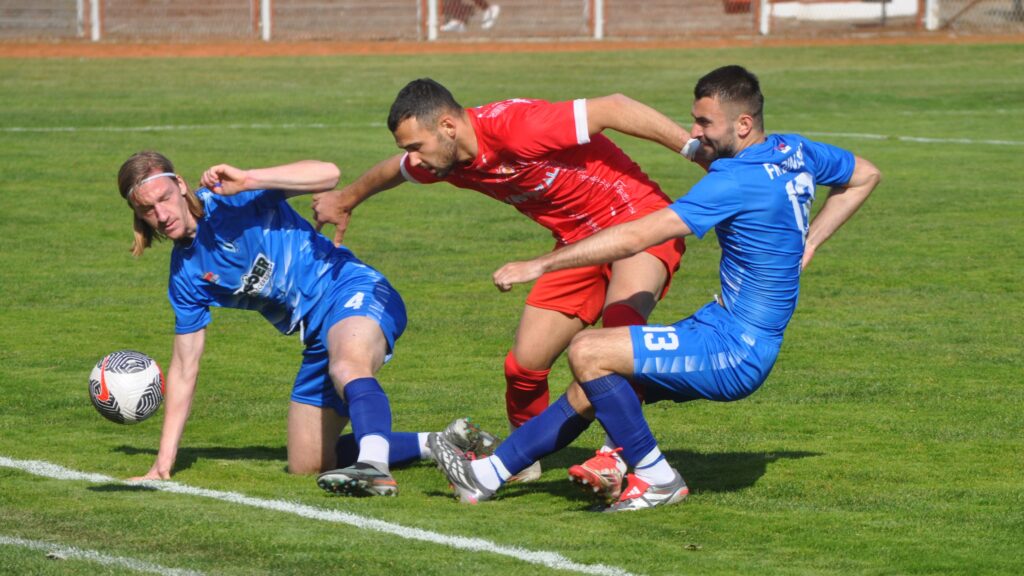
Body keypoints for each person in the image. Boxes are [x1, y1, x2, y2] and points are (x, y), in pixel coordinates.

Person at [428, 65, 881, 511]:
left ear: (743, 124)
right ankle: (485, 476)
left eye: (705, 122)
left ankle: (656, 476)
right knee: (595, 382)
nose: (695, 131)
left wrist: (539, 264)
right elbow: (864, 174)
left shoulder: (733, 180)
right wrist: (810, 242)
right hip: (722, 327)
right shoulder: (794, 149)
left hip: (734, 349)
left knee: (588, 351)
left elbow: (634, 236)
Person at [310, 78, 693, 493]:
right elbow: (394, 171)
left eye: (416, 146)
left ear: (447, 127)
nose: (413, 158)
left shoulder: (517, 126)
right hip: (576, 247)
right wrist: (344, 199)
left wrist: (695, 150)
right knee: (524, 367)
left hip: (642, 222)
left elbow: (614, 107)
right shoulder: (448, 159)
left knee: (618, 334)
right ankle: (522, 458)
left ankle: (617, 457)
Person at [118, 151, 496, 497]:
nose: (162, 214)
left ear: (181, 186)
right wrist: (162, 465)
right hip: (317, 335)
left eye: (165, 198)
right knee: (308, 462)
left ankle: (374, 468)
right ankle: (437, 443)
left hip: (353, 289)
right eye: (148, 209)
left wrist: (250, 177)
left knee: (349, 364)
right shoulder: (186, 276)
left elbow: (328, 174)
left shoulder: (234, 198)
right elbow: (185, 368)